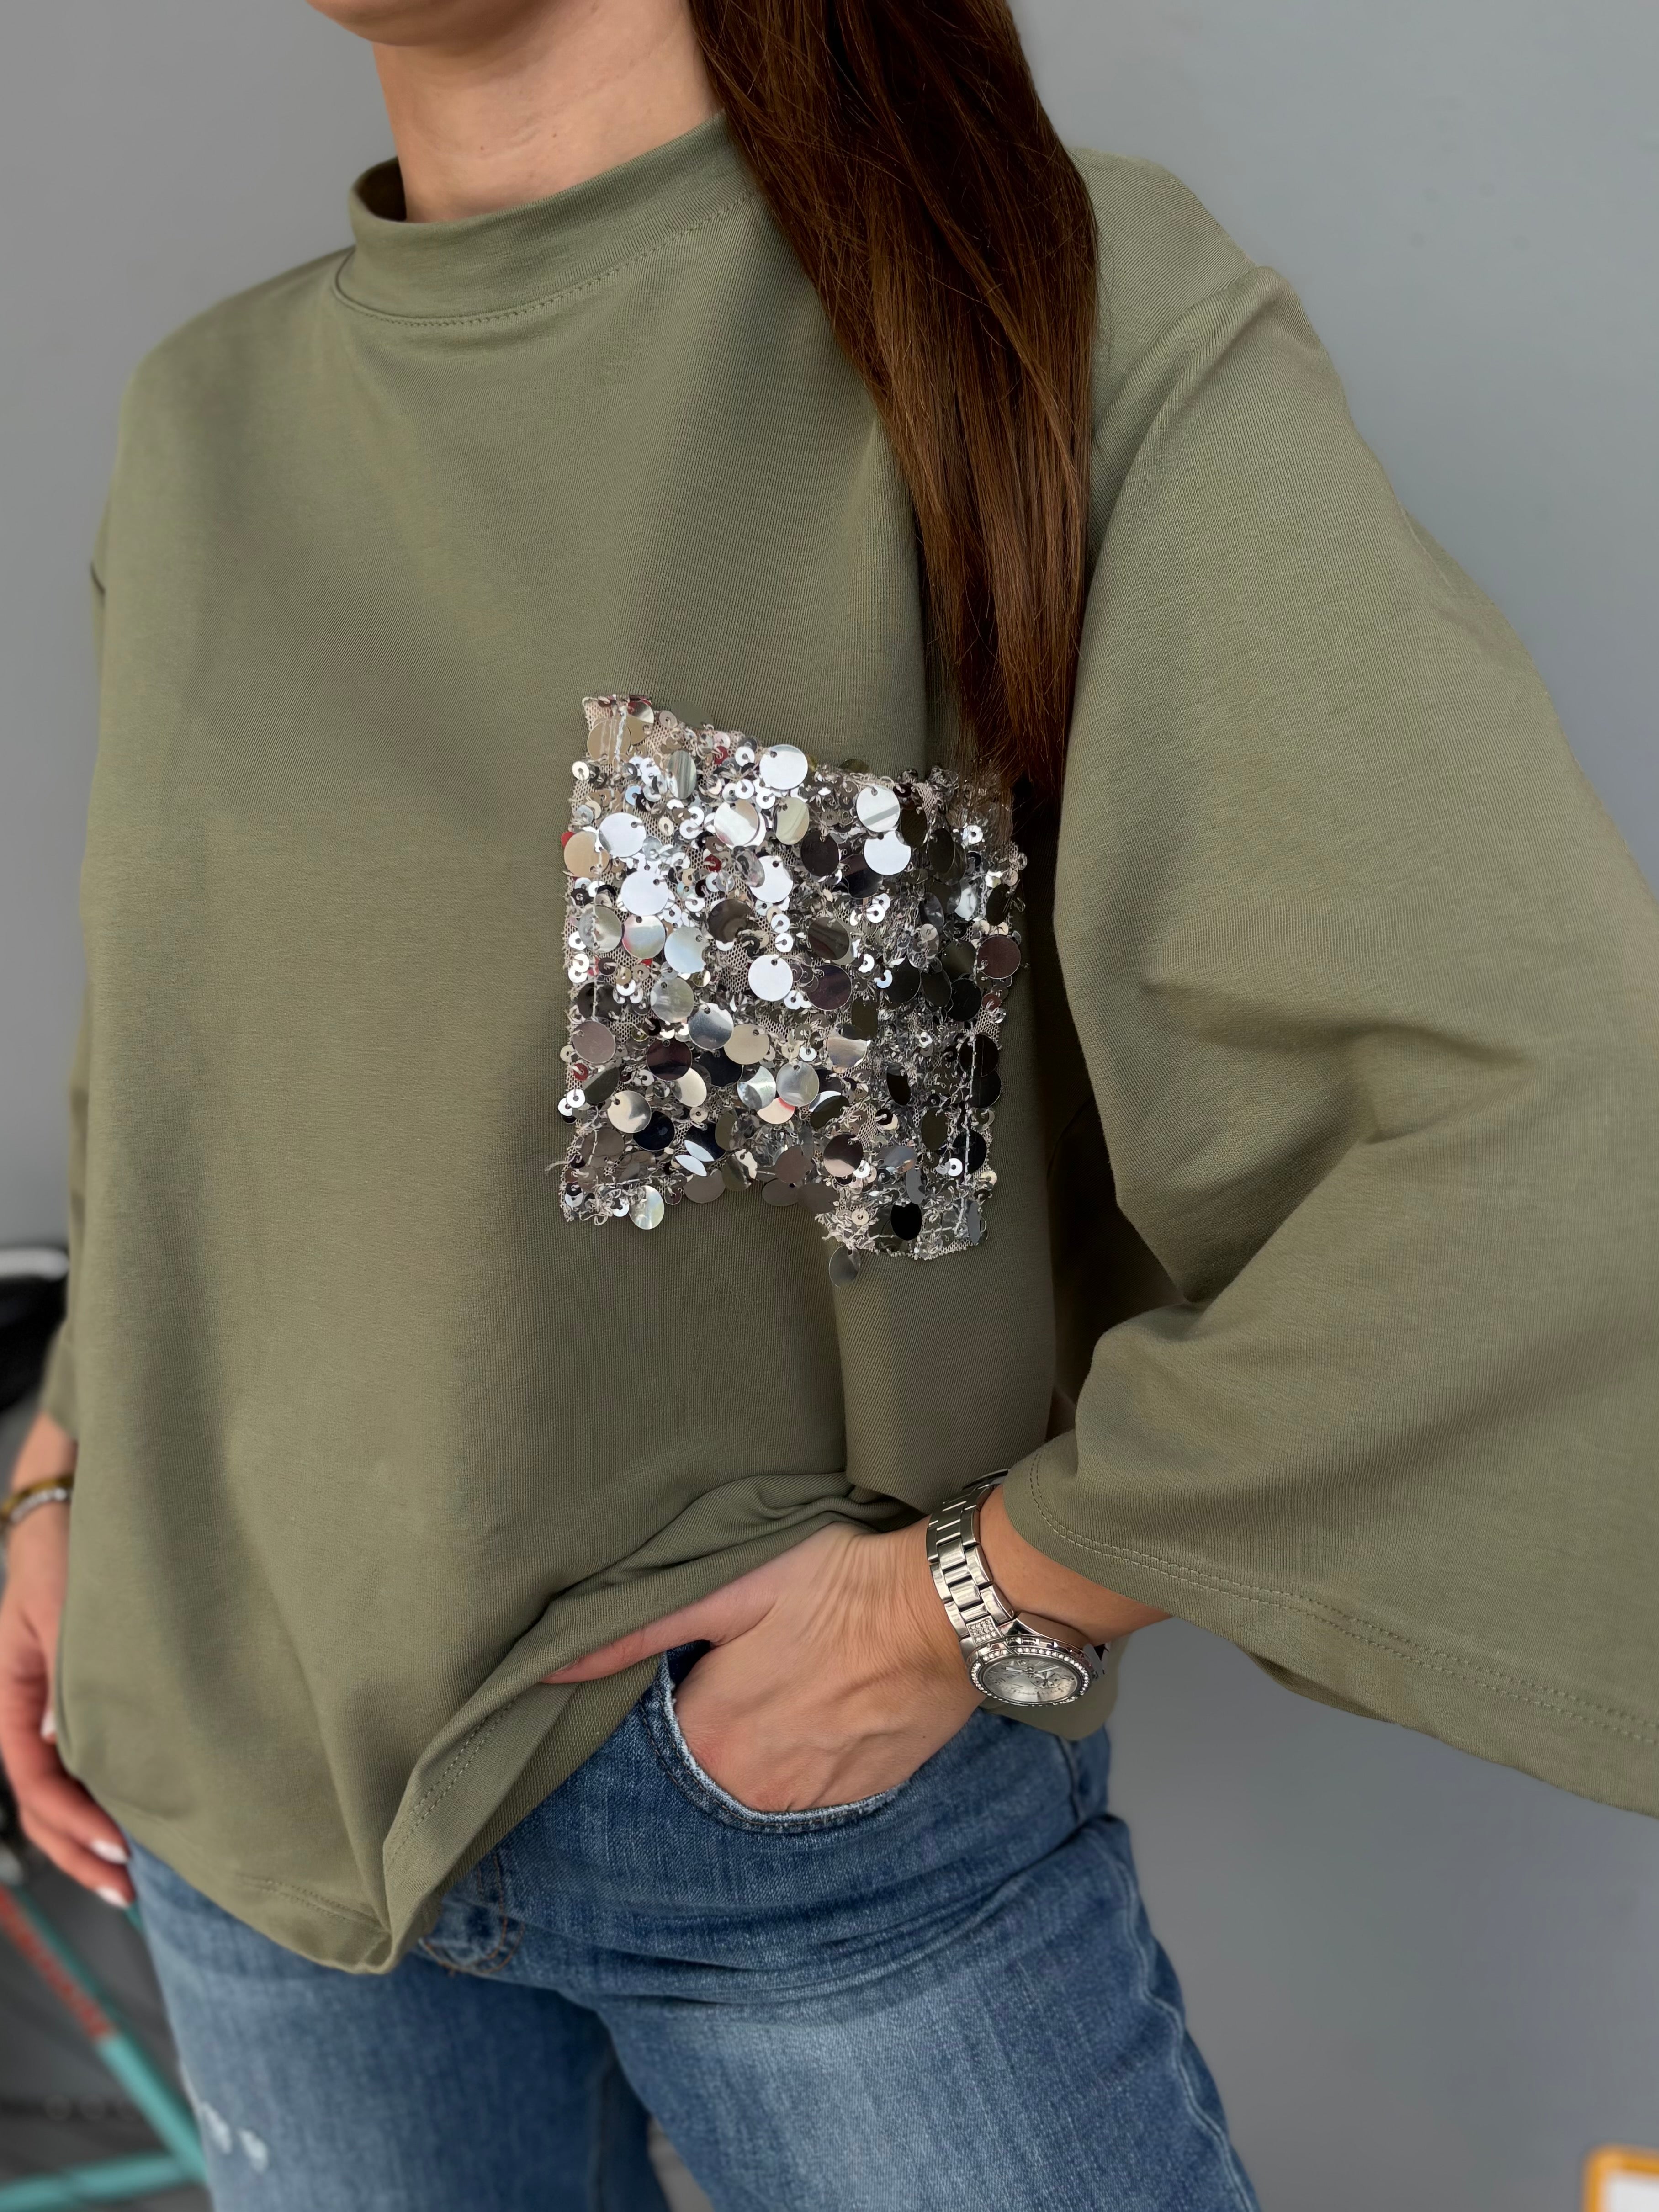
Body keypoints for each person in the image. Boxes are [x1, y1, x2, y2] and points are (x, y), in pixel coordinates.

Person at [3, 0, 1656, 2205]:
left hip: (786, 1826)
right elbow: (200, 1070)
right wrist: (70, 1465)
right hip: (236, 1788)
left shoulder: (1040, 329)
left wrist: (969, 1598)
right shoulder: (208, 423)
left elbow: (1531, 1128)